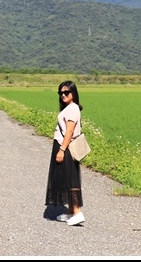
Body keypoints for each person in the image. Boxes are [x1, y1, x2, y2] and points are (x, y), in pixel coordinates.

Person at [45, 80, 85, 226]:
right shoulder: (69, 108)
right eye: (60, 93)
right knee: (67, 179)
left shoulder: (72, 109)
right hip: (63, 146)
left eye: (66, 92)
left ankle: (77, 212)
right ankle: (70, 211)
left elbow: (69, 131)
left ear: (73, 94)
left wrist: (62, 149)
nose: (63, 95)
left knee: (71, 179)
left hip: (65, 147)